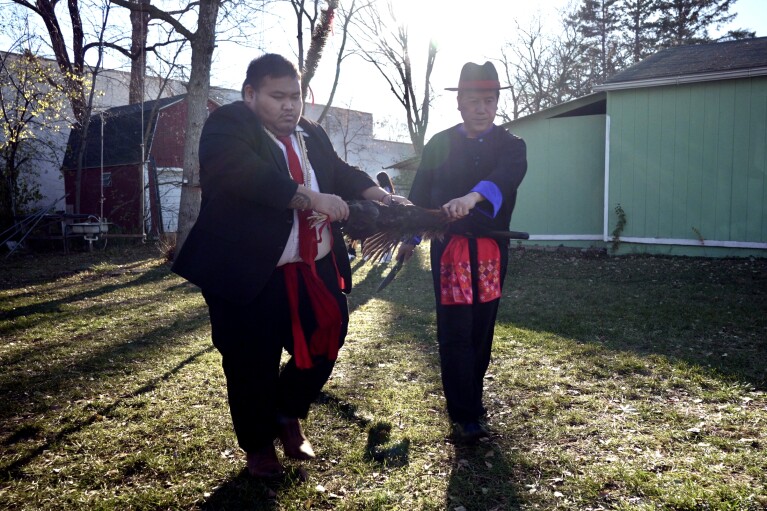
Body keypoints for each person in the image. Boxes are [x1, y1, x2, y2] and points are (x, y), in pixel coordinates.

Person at [172, 53, 409, 478]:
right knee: (250, 363)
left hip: (312, 266)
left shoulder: (311, 133)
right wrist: (313, 198)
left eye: (295, 96)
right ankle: (259, 446)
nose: (289, 106)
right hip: (248, 275)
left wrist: (379, 195)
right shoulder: (227, 125)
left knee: (326, 339)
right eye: (277, 96)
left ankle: (287, 412)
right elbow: (246, 175)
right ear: (250, 95)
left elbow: (338, 170)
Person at [397, 61, 527, 442]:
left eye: (489, 100)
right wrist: (409, 237)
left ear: (497, 101)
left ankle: (474, 398)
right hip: (449, 249)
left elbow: (505, 177)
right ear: (460, 103)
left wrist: (472, 198)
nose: (482, 108)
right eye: (473, 100)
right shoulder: (439, 142)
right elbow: (420, 193)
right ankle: (464, 413)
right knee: (454, 331)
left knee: (480, 330)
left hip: (490, 251)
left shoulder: (512, 145)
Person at [376, 171, 396, 263]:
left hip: (385, 216)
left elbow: (384, 203)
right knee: (385, 237)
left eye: (378, 180)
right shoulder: (389, 189)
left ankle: (387, 257)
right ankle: (386, 256)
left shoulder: (385, 190)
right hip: (388, 216)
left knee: (385, 237)